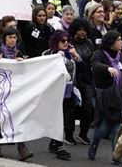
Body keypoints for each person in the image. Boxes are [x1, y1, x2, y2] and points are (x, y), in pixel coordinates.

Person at [0, 27, 33, 160]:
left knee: (17, 117)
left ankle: (22, 147)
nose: (13, 40)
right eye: (10, 37)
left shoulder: (19, 52)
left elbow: (26, 69)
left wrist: (22, 62)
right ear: (4, 39)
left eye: (14, 37)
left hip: (15, 89)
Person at [89, 30, 122, 164]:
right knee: (102, 127)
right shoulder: (99, 54)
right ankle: (93, 145)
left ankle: (116, 156)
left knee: (116, 126)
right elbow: (95, 66)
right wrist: (108, 68)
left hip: (118, 95)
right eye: (118, 40)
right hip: (103, 94)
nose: (121, 42)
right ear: (111, 42)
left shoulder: (121, 56)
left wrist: (121, 71)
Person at [41, 30, 79, 159]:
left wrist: (76, 57)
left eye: (67, 40)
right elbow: (43, 70)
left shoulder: (70, 54)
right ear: (56, 41)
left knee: (65, 118)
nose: (66, 43)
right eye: (63, 41)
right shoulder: (48, 54)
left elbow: (74, 70)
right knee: (57, 118)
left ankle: (54, 142)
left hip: (68, 91)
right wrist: (57, 59)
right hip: (54, 92)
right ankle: (59, 146)